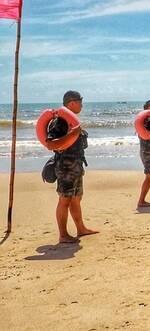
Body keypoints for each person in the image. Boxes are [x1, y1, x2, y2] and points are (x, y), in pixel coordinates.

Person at [44, 90, 98, 243]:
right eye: (80, 101)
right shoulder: (60, 121)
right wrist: (73, 133)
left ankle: (81, 229)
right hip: (65, 167)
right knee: (65, 199)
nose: (82, 104)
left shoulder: (70, 120)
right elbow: (50, 144)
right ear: (71, 103)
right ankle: (63, 235)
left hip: (76, 165)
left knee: (76, 198)